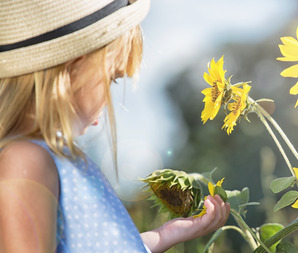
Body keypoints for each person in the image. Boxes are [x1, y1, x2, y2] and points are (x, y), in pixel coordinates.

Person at [0, 0, 230, 252]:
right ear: (72, 72)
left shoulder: (55, 160)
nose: (105, 108)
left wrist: (164, 235)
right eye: (111, 79)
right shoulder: (27, 162)